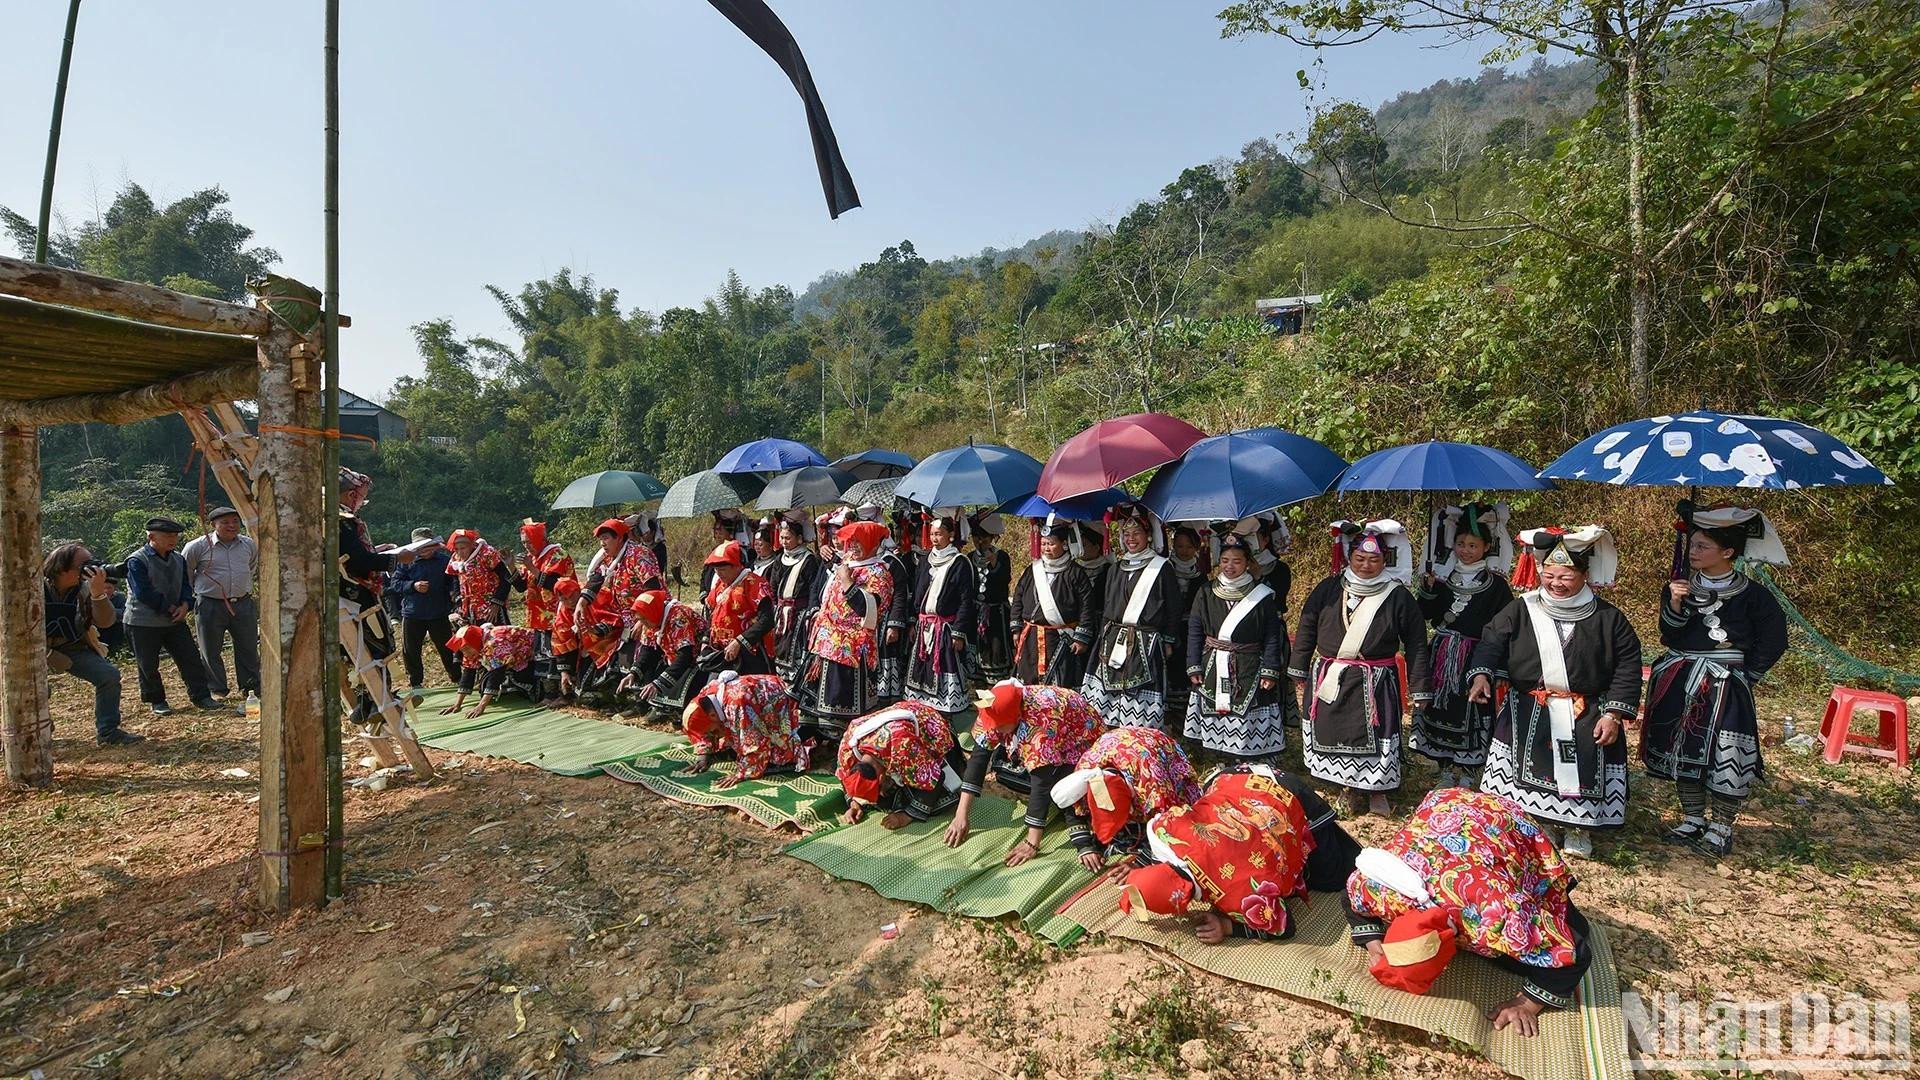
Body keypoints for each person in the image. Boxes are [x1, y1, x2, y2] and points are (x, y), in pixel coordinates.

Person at [1345, 788, 1595, 1036]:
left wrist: (1527, 1003)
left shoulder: (1494, 917)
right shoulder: (1379, 893)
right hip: (1447, 806)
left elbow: (1575, 951)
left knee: (1562, 932)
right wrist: (1373, 944)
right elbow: (1349, 893)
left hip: (1500, 819)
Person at [1467, 527, 1642, 858]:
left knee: (1584, 767)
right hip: (1529, 706)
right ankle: (1536, 822)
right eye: (1549, 575)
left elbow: (1628, 665)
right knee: (1527, 766)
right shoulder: (1522, 609)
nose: (1556, 583)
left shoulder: (1608, 618)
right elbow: (1491, 642)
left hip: (1586, 710)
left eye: (1566, 577)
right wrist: (1481, 676)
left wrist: (1613, 714)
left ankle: (1578, 828)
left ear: (1585, 576)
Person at [1641, 504, 1789, 857]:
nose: (1693, 552)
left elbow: (1774, 639)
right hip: (1681, 677)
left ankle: (1722, 825)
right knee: (1685, 748)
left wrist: (1747, 676)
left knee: (1728, 751)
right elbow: (1669, 634)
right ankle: (1693, 818)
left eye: (1703, 546)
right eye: (1692, 545)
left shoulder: (1754, 596)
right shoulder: (1678, 587)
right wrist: (1675, 604)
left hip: (1726, 683)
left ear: (1728, 552)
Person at [1292, 520, 1432, 816]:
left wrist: (1420, 687)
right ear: (1349, 557)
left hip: (1375, 680)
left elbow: (1417, 643)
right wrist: (1299, 669)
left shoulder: (1397, 596)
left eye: (1374, 559)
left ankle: (1377, 790)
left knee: (1378, 734)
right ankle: (1346, 788)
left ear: (1385, 560)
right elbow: (1306, 626)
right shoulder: (1329, 588)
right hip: (1332, 674)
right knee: (1335, 733)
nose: (1366, 565)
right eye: (1360, 558)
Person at [1117, 767, 1324, 943]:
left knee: (1330, 877)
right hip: (1239, 777)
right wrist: (1141, 864)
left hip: (1296, 803)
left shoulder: (1237, 895)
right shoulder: (1167, 827)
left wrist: (1227, 927)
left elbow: (1285, 926)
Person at [1412, 503, 1516, 789]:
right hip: (1441, 654)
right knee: (1440, 708)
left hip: (1475, 658)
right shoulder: (1443, 578)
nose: (1466, 550)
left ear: (1486, 547)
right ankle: (1445, 768)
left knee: (1472, 711)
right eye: (1460, 543)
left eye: (1473, 544)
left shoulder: (1496, 586)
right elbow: (1426, 614)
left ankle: (1469, 771)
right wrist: (1429, 590)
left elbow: (1504, 626)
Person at [947, 679, 1103, 866]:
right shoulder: (993, 703)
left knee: (1067, 793)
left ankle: (1082, 838)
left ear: (1016, 717)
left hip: (1081, 741)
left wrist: (1032, 842)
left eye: (999, 726)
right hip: (1053, 735)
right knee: (1006, 771)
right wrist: (961, 815)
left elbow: (1041, 783)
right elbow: (979, 757)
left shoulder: (1040, 724)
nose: (994, 729)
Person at [1186, 534, 1288, 761]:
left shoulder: (1261, 596)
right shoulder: (1206, 591)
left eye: (1237, 561)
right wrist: (1193, 665)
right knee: (1215, 708)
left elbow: (1272, 635)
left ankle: (1245, 757)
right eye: (1224, 560)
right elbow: (1195, 629)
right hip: (1212, 661)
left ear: (1248, 563)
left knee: (1248, 711)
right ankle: (1219, 757)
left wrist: (1271, 668)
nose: (1229, 566)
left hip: (1249, 664)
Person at [336, 468, 420, 744]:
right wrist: (395, 559)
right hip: (356, 596)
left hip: (337, 596)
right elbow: (357, 562)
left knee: (355, 652)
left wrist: (377, 553)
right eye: (361, 498)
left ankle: (365, 701)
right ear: (351, 495)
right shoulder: (343, 521)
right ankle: (376, 700)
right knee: (377, 646)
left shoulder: (323, 519)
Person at [1081, 505, 1183, 731]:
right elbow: (1109, 605)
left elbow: (1173, 608)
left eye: (1136, 533)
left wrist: (1168, 640)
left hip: (1145, 640)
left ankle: (1137, 735)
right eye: (1126, 534)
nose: (1131, 539)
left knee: (1139, 692)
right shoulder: (1116, 568)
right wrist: (1102, 638)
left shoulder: (1162, 568)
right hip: (1113, 637)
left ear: (1148, 535)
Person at [1050, 727, 1200, 870]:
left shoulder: (1154, 787)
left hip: (1155, 748)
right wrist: (1085, 847)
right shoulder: (1085, 772)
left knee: (1187, 821)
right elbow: (1073, 807)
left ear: (1131, 806)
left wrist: (1140, 863)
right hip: (1116, 745)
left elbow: (1169, 825)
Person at [799, 521, 896, 739]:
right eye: (850, 542)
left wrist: (847, 583)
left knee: (840, 698)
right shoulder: (848, 563)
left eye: (858, 542)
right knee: (815, 697)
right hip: (826, 640)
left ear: (872, 544)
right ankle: (816, 737)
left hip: (851, 646)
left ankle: (841, 740)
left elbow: (869, 610)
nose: (852, 547)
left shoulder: (879, 574)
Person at [42, 543, 137, 745]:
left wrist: (98, 594)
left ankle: (108, 732)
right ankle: (36, 733)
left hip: (72, 645)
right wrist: (48, 655)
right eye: (84, 564)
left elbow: (106, 621)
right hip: (32, 650)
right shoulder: (34, 589)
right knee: (38, 690)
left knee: (108, 676)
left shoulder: (84, 590)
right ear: (62, 567)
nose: (91, 567)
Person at [124, 516, 220, 715]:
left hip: (174, 619)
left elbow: (186, 585)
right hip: (142, 621)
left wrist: (186, 604)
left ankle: (201, 695)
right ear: (151, 536)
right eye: (167, 535)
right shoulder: (137, 560)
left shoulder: (178, 558)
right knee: (148, 663)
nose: (172, 539)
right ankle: (157, 701)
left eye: (175, 535)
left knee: (190, 658)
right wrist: (169, 608)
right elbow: (143, 592)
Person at [837, 700, 968, 827]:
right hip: (896, 727)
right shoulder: (847, 749)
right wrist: (855, 803)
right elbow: (844, 775)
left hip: (927, 722)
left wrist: (906, 816)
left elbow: (936, 778)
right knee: (885, 799)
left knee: (940, 800)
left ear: (882, 777)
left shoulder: (903, 748)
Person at [181, 506, 259, 707]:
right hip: (210, 604)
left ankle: (250, 685)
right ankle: (217, 688)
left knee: (248, 646)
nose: (231, 526)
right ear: (213, 525)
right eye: (225, 522)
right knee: (210, 648)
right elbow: (185, 574)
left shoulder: (248, 545)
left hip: (243, 603)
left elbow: (251, 567)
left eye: (235, 521)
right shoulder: (197, 547)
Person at [905, 513, 977, 714]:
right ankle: (923, 705)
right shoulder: (925, 559)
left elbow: (966, 600)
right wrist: (912, 621)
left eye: (940, 534)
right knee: (922, 667)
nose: (935, 538)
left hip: (945, 627)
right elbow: (917, 591)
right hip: (923, 626)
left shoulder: (959, 562)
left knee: (945, 666)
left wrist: (958, 632)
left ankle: (947, 708)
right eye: (933, 534)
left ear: (951, 535)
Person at [678, 672, 803, 788]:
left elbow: (753, 742)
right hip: (758, 707)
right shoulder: (705, 698)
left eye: (711, 731)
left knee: (773, 757)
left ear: (712, 716)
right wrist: (704, 754)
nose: (713, 735)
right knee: (728, 747)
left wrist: (741, 773)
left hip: (786, 709)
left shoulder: (737, 703)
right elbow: (702, 731)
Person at [1011, 517, 1095, 687]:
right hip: (1032, 637)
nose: (1046, 548)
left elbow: (1087, 606)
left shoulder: (1075, 573)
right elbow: (1018, 597)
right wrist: (1016, 627)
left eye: (1051, 543)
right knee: (1030, 679)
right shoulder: (1032, 570)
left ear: (1064, 544)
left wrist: (1081, 638)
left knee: (1060, 682)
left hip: (1062, 638)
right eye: (1043, 544)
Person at [391, 527, 461, 691]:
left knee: (447, 647)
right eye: (420, 547)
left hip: (438, 611)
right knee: (411, 650)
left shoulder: (444, 561)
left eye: (427, 546)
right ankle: (416, 683)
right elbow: (395, 584)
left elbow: (453, 581)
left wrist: (453, 593)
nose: (424, 550)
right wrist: (413, 586)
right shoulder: (406, 561)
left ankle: (456, 677)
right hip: (413, 612)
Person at [623, 588, 709, 720]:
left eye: (645, 620)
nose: (644, 624)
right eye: (641, 620)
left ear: (653, 612)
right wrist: (633, 673)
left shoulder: (679, 616)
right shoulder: (651, 619)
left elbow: (686, 654)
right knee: (650, 671)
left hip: (695, 659)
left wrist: (659, 683)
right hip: (674, 657)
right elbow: (648, 650)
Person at [702, 540, 776, 677]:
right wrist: (706, 640)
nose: (719, 574)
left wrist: (739, 642)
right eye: (716, 570)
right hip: (721, 653)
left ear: (736, 566)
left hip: (750, 654)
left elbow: (767, 620)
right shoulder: (721, 585)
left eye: (723, 569)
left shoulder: (755, 584)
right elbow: (713, 614)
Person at [769, 516, 826, 685]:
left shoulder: (809, 560)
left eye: (788, 538)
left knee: (795, 650)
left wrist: (809, 613)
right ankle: (780, 682)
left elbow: (812, 588)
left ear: (799, 539)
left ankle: (796, 685)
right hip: (781, 613)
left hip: (799, 614)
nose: (784, 541)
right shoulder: (779, 559)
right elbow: (773, 585)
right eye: (782, 537)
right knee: (779, 647)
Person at [439, 623, 539, 719]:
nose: (466, 653)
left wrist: (481, 706)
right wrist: (457, 704)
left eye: (466, 649)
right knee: (484, 689)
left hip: (533, 654)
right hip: (509, 659)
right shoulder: (472, 646)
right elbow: (468, 673)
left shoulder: (494, 643)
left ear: (473, 642)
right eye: (462, 650)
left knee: (522, 680)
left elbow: (496, 674)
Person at [513, 518, 576, 652]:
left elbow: (554, 584)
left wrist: (531, 567)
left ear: (539, 539)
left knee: (558, 652)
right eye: (523, 542)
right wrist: (510, 565)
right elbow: (521, 587)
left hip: (557, 613)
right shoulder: (533, 557)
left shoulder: (558, 554)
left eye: (529, 542)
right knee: (540, 654)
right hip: (538, 616)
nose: (526, 546)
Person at [968, 512, 1014, 686]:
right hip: (975, 615)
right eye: (976, 538)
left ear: (993, 538)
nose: (980, 543)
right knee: (977, 654)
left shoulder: (1002, 556)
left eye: (985, 539)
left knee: (996, 652)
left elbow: (1004, 581)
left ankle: (996, 689)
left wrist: (995, 564)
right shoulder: (969, 558)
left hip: (996, 616)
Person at [447, 529, 513, 626]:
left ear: (471, 545)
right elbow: (454, 580)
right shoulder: (455, 558)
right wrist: (458, 604)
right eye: (456, 549)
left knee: (496, 637)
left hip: (490, 608)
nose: (460, 552)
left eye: (463, 548)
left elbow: (505, 578)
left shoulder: (487, 554)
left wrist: (497, 603)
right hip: (468, 610)